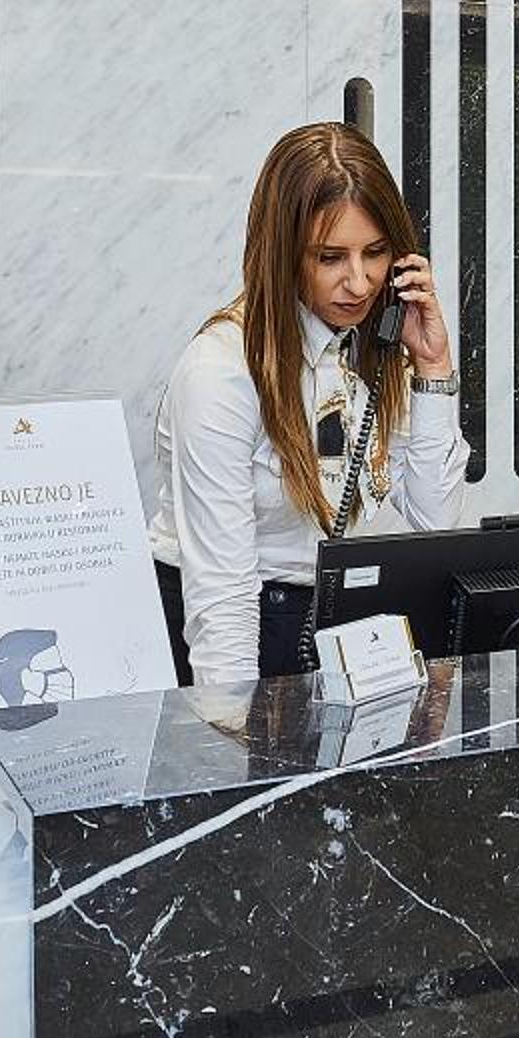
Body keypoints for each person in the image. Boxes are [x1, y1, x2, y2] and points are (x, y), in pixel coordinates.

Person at [149, 122, 465, 687]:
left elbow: (433, 523)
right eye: (330, 258)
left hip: (328, 623)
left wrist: (433, 367)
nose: (360, 283)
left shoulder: (372, 349)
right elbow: (222, 594)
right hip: (235, 632)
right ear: (284, 254)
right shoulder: (221, 371)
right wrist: (230, 725)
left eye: (376, 253)